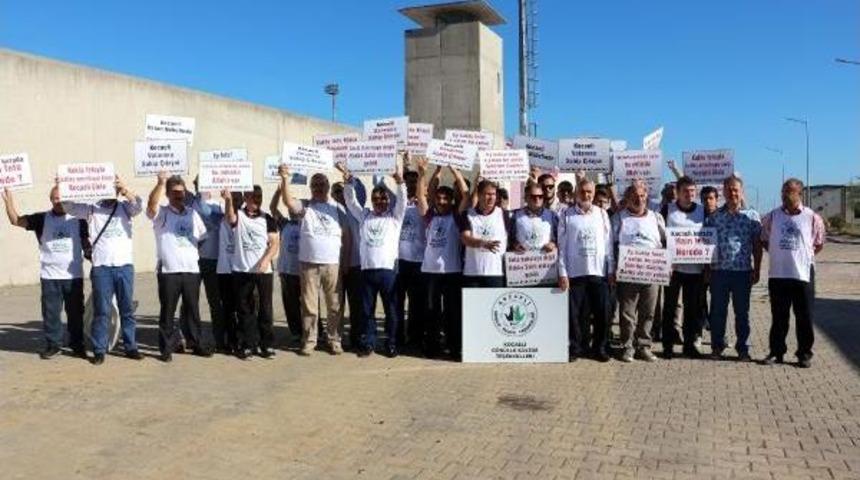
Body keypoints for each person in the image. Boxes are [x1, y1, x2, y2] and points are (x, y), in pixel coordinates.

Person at [63, 175, 143, 365]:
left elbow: (139, 205)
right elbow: (69, 207)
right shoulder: (92, 209)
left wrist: (126, 190)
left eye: (114, 189)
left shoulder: (125, 208)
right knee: (102, 310)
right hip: (102, 268)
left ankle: (131, 346)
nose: (111, 192)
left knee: (127, 310)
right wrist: (63, 186)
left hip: (124, 266)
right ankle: (99, 349)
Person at [3, 187, 88, 359]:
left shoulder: (79, 219)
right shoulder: (42, 219)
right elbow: (16, 221)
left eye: (61, 198)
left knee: (76, 313)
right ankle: (53, 344)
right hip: (50, 276)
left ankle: (77, 344)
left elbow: (87, 244)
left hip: (73, 276)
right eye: (55, 198)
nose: (58, 201)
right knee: (51, 313)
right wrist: (8, 202)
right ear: (50, 200)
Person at [338, 159, 407, 357]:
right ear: (372, 200)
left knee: (391, 312)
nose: (380, 202)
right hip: (367, 272)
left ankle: (391, 343)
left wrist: (400, 182)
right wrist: (348, 181)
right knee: (366, 312)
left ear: (388, 200)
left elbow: (402, 200)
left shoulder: (395, 218)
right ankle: (368, 342)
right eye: (376, 199)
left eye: (383, 199)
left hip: (388, 273)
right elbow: (351, 202)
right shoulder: (365, 216)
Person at [280, 166, 350, 356]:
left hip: (332, 263)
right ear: (311, 188)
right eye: (315, 185)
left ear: (328, 186)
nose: (319, 187)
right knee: (309, 305)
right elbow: (287, 201)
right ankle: (310, 340)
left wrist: (345, 261)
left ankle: (334, 339)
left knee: (335, 305)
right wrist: (285, 178)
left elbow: (346, 235)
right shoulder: (305, 206)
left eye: (322, 184)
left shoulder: (338, 208)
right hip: (309, 264)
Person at [760, 179, 825, 368]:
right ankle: (776, 352)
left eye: (789, 191)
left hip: (803, 275)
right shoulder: (772, 216)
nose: (785, 194)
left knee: (804, 316)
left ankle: (804, 353)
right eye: (783, 191)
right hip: (778, 275)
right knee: (779, 317)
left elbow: (819, 243)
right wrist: (779, 254)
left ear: (800, 194)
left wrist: (802, 257)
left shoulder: (812, 217)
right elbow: (764, 238)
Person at [146, 172, 210, 362]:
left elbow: (203, 238)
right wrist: (160, 183)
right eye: (174, 192)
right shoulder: (162, 214)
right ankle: (165, 349)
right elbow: (150, 206)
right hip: (169, 272)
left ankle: (196, 342)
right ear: (167, 194)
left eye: (181, 192)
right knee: (168, 311)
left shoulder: (192, 213)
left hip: (191, 271)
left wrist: (191, 255)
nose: (179, 195)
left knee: (193, 310)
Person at [416, 160, 470, 359]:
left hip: (452, 272)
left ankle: (454, 348)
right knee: (431, 311)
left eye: (445, 198)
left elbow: (466, 195)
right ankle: (432, 347)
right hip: (430, 272)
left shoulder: (456, 216)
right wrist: (428, 172)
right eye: (438, 198)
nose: (441, 201)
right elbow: (422, 195)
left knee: (452, 313)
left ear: (450, 200)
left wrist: (454, 169)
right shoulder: (428, 215)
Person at [705, 175, 762, 361]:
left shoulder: (752, 217)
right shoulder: (714, 218)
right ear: (723, 192)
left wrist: (758, 269)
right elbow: (706, 245)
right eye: (728, 189)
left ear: (741, 192)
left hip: (742, 273)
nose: (732, 193)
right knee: (718, 312)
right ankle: (717, 347)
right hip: (719, 272)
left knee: (742, 313)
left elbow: (757, 245)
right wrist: (707, 269)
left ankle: (742, 348)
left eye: (735, 189)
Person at [557, 179, 614, 362]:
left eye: (589, 191)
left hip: (598, 272)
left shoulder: (602, 214)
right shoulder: (566, 214)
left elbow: (608, 244)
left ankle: (600, 348)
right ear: (576, 193)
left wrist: (611, 269)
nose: (586, 195)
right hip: (575, 273)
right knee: (575, 315)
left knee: (601, 314)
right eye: (582, 191)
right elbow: (561, 246)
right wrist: (563, 272)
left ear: (594, 192)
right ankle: (576, 348)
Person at [611, 181, 666, 362]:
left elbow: (666, 242)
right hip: (628, 273)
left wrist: (668, 264)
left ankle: (644, 345)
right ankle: (627, 346)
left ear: (647, 197)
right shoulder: (619, 218)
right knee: (627, 313)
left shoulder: (656, 217)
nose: (639, 199)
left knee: (648, 311)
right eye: (635, 195)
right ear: (627, 198)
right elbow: (610, 245)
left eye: (642, 195)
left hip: (652, 272)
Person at [223, 185, 279, 360]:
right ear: (246, 198)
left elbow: (275, 243)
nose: (256, 202)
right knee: (244, 308)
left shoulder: (267, 219)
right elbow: (230, 218)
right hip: (242, 270)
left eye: (259, 198)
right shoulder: (239, 216)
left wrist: (265, 260)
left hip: (263, 272)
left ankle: (267, 344)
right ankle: (247, 343)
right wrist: (228, 200)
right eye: (253, 198)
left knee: (266, 308)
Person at [660, 176, 706, 359]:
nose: (689, 195)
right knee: (669, 308)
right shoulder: (668, 210)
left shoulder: (703, 211)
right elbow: (660, 236)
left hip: (695, 269)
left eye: (692, 192)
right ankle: (667, 346)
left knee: (692, 309)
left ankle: (689, 345)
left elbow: (710, 237)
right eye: (686, 191)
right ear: (678, 193)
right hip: (673, 270)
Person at [186, 177, 227, 353]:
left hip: (213, 260)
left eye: (202, 182)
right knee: (189, 302)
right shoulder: (191, 202)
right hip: (193, 260)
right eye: (197, 183)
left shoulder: (219, 205)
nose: (199, 186)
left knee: (215, 302)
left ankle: (219, 338)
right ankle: (190, 338)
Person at [395, 165, 427, 350]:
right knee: (397, 303)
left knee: (417, 305)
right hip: (399, 262)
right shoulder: (397, 203)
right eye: (409, 182)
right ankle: (397, 337)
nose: (412, 184)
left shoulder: (424, 203)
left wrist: (426, 173)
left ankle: (415, 338)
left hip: (418, 262)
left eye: (415, 182)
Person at [331, 180, 365, 350]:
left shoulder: (356, 211)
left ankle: (357, 337)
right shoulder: (330, 213)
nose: (340, 194)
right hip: (335, 266)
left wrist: (349, 180)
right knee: (336, 305)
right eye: (336, 191)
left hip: (356, 265)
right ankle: (336, 338)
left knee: (356, 305)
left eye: (342, 191)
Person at [459, 179, 510, 287]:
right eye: (487, 194)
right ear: (479, 195)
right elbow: (465, 238)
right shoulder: (467, 214)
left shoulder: (504, 215)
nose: (491, 198)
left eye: (493, 194)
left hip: (495, 274)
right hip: (472, 273)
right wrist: (483, 243)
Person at [270, 187, 302, 343]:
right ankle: (296, 332)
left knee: (309, 304)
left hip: (304, 272)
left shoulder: (306, 223)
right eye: (289, 208)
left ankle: (314, 332)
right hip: (287, 271)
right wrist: (279, 191)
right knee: (291, 304)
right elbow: (272, 208)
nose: (291, 210)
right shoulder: (284, 224)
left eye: (294, 206)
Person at [216, 191, 244, 354]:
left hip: (240, 269)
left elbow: (231, 215)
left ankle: (242, 340)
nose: (235, 201)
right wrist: (227, 200)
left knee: (242, 307)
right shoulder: (223, 217)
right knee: (227, 308)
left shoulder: (245, 218)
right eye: (233, 199)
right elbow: (228, 214)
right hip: (224, 270)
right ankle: (231, 340)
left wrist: (229, 201)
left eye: (237, 199)